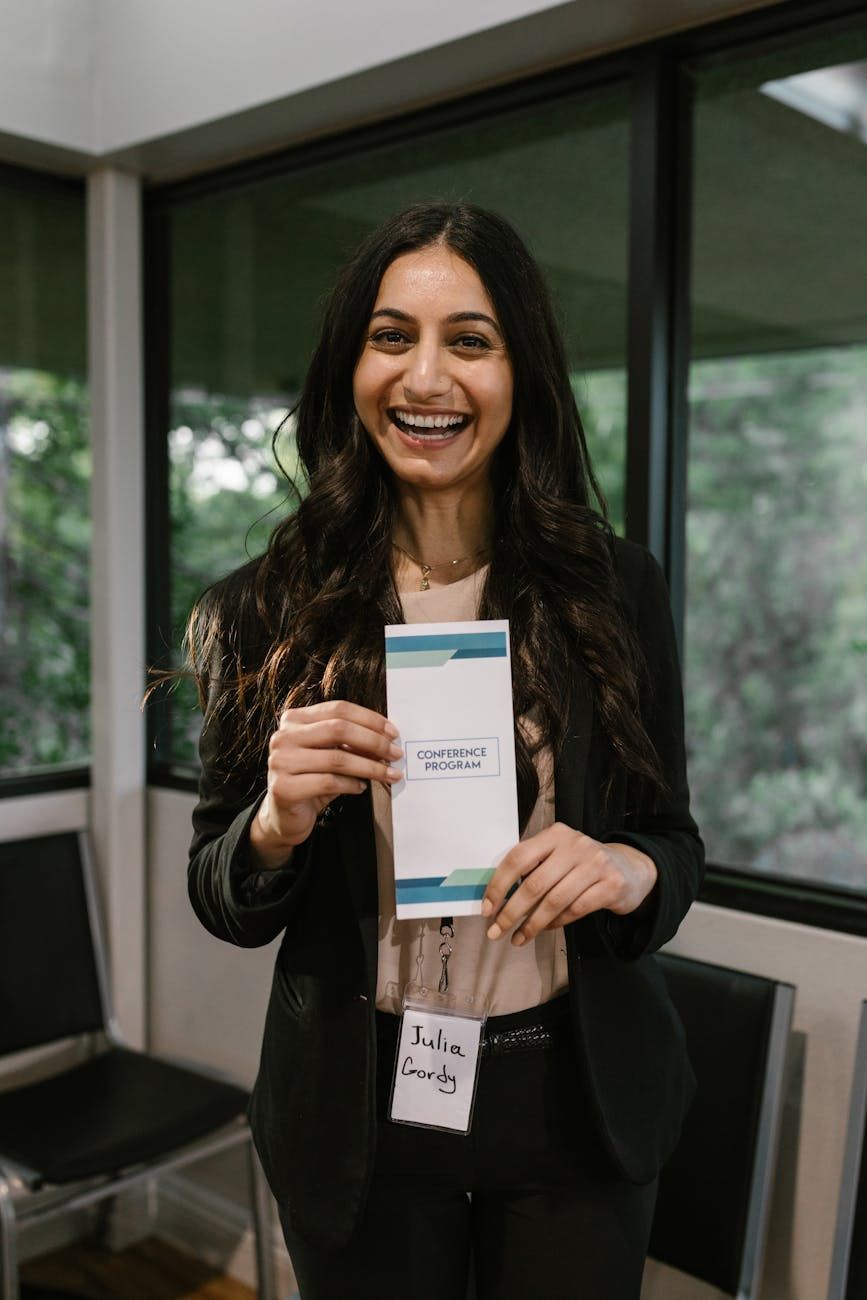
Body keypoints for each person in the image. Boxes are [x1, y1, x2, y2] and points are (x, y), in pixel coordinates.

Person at [186, 202, 704, 1300]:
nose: (426, 377)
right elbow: (220, 892)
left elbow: (672, 839)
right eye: (391, 336)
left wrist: (625, 869)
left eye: (469, 340)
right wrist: (274, 823)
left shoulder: (616, 588)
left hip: (574, 1103)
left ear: (522, 373)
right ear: (351, 366)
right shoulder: (262, 608)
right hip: (359, 1113)